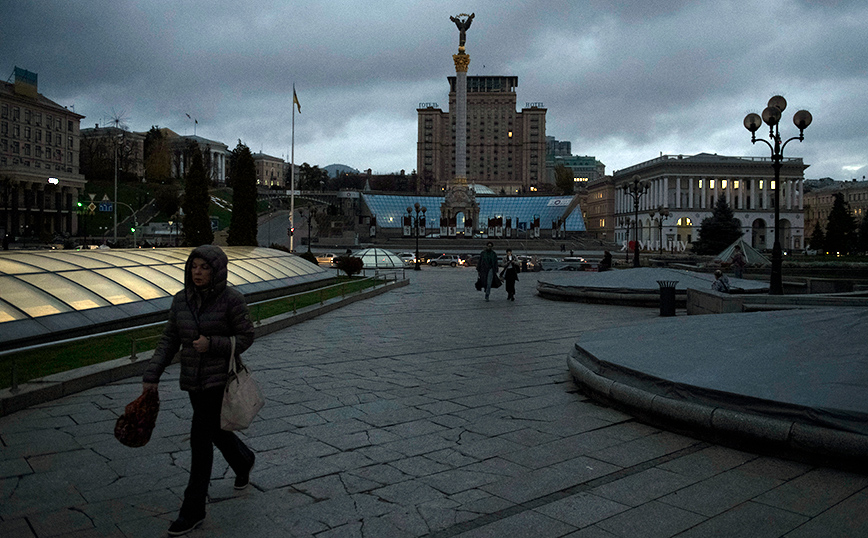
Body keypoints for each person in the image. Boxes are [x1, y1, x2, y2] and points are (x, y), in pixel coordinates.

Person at [142, 245, 256, 536]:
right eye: (194, 266)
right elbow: (169, 339)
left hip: (220, 381)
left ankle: (192, 510)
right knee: (216, 431)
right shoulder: (181, 301)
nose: (198, 272)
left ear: (216, 270)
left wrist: (213, 344)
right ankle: (243, 460)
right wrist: (152, 373)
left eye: (204, 267)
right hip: (194, 381)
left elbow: (246, 336)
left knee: (200, 440)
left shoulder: (232, 299)